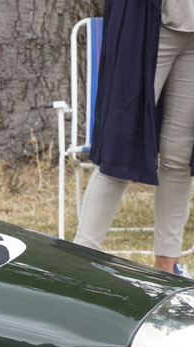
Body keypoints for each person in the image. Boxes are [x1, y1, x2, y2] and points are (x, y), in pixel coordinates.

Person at [73, 0, 194, 276]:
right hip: (144, 24)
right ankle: (81, 263)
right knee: (120, 144)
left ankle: (167, 268)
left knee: (180, 155)